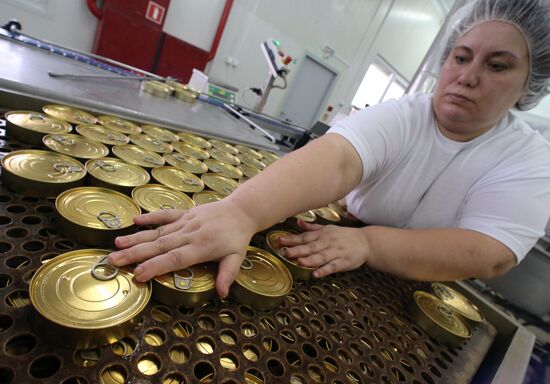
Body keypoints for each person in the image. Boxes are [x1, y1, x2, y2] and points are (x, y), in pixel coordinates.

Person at [109, 0, 550, 299]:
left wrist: (369, 245)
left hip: (419, 281)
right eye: (460, 57)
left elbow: (489, 251)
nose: (468, 76)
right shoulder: (407, 115)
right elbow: (339, 160)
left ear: (529, 84)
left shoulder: (527, 157)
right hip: (335, 235)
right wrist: (242, 212)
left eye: (497, 65)